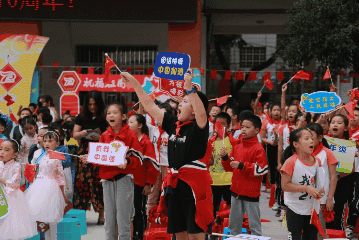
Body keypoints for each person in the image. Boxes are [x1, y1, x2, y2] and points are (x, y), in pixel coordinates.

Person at [122, 70, 214, 240]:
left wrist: (189, 88)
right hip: (174, 186)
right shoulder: (173, 124)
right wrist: (134, 82)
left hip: (195, 188)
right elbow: (150, 105)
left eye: (185, 102)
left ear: (194, 109)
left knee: (196, 235)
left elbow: (202, 114)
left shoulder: (199, 127)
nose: (179, 104)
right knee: (179, 234)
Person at [80, 103, 143, 240]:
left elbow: (138, 158)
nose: (111, 115)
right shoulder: (104, 135)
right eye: (109, 113)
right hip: (107, 181)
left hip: (124, 180)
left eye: (115, 112)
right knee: (109, 220)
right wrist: (90, 158)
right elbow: (101, 158)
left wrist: (127, 161)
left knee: (123, 219)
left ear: (124, 116)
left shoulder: (131, 134)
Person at [221, 114, 268, 236]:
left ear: (257, 130)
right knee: (233, 226)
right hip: (236, 192)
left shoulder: (258, 149)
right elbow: (229, 167)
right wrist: (225, 157)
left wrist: (242, 165)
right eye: (242, 127)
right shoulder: (237, 147)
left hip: (250, 193)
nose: (243, 130)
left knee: (254, 226)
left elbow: (262, 170)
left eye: (247, 127)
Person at [26, 131, 71, 240]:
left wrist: (63, 194)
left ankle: (53, 238)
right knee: (43, 218)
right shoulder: (40, 155)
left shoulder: (57, 157)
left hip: (52, 188)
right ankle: (46, 238)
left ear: (57, 143)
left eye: (50, 141)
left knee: (52, 218)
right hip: (39, 187)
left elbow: (60, 177)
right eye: (45, 141)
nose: (47, 143)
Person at [280, 128, 324, 240]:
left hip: (311, 209)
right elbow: (284, 185)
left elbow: (319, 183)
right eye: (307, 138)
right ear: (295, 144)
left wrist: (320, 192)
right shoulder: (290, 162)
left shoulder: (317, 161)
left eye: (312, 138)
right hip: (295, 208)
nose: (311, 141)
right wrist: (306, 188)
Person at [73, 90, 107, 224]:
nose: (92, 107)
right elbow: (74, 134)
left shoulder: (104, 117)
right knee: (82, 184)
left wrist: (100, 137)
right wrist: (81, 133)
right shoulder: (81, 116)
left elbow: (109, 135)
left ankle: (102, 215)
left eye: (95, 104)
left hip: (99, 152)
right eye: (90, 104)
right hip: (83, 154)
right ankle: (81, 215)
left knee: (99, 183)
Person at [128, 114, 159, 240]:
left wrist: (149, 184)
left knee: (138, 211)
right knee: (129, 210)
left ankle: (140, 235)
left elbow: (151, 165)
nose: (128, 125)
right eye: (128, 122)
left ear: (140, 125)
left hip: (140, 182)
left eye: (131, 122)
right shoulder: (128, 140)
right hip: (127, 181)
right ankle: (131, 234)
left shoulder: (146, 142)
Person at [305, 123, 338, 240]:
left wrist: (329, 199)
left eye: (311, 136)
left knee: (320, 229)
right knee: (307, 229)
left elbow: (334, 177)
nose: (308, 140)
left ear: (319, 138)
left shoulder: (327, 153)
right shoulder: (303, 152)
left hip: (321, 199)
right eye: (306, 137)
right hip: (305, 197)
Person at [0, 140, 38, 240]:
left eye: (6, 150)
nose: (2, 152)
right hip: (1, 195)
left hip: (11, 198)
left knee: (10, 223)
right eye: (0, 149)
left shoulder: (16, 166)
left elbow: (15, 184)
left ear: (14, 155)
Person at [326, 114, 354, 231]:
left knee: (338, 213)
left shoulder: (349, 145)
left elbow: (351, 169)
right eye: (333, 122)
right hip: (324, 184)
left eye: (339, 122)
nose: (335, 125)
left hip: (342, 184)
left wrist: (336, 176)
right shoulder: (322, 142)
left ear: (346, 127)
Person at [145, 102, 171, 218]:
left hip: (168, 166)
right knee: (152, 196)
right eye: (158, 114)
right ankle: (149, 223)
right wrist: (142, 104)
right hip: (155, 166)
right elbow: (140, 118)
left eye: (163, 115)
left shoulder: (172, 132)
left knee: (168, 196)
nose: (160, 118)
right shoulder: (152, 129)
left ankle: (168, 224)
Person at [209, 112, 233, 217]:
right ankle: (213, 228)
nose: (220, 126)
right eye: (218, 123)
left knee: (230, 205)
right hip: (213, 180)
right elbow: (209, 162)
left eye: (223, 124)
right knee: (213, 207)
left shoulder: (233, 141)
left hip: (228, 180)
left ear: (228, 126)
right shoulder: (210, 141)